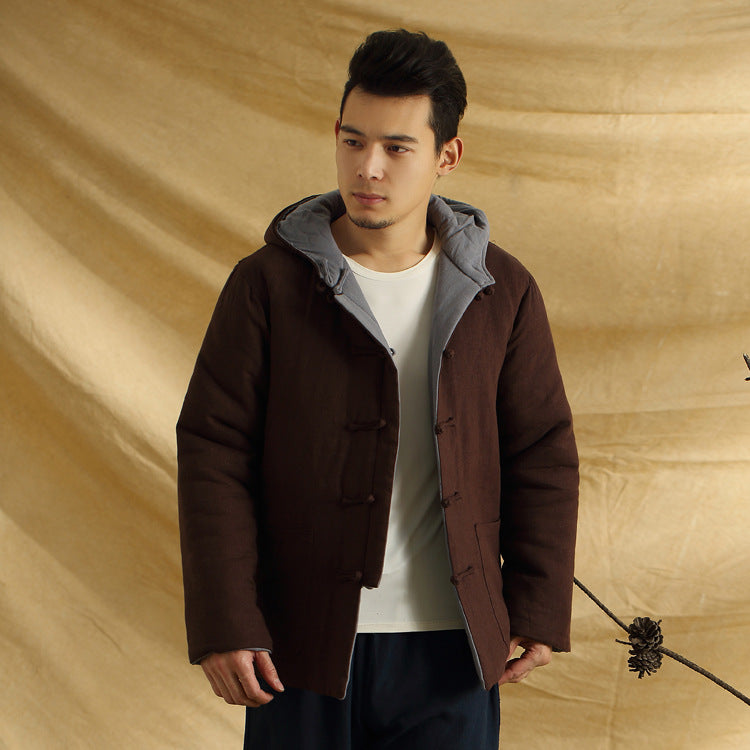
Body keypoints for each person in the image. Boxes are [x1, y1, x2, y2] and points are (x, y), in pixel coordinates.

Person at [177, 28, 578, 749]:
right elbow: (214, 449)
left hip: (453, 648)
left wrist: (539, 604)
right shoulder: (267, 284)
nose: (368, 167)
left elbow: (542, 450)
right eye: (353, 141)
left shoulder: (502, 291)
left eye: (397, 147)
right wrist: (227, 620)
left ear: (447, 156)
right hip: (300, 647)